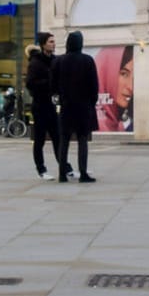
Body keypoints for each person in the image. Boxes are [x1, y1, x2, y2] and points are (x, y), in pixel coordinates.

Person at [53, 30, 99, 183]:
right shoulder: (88, 61)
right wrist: (91, 102)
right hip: (83, 106)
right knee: (82, 140)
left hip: (66, 105)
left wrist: (60, 97)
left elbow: (52, 85)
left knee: (64, 140)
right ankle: (83, 173)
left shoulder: (59, 61)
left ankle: (61, 174)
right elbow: (94, 86)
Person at [25, 33, 65, 179]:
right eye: (51, 42)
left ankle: (65, 167)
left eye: (54, 41)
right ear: (43, 44)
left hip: (52, 105)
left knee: (57, 138)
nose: (53, 44)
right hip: (40, 105)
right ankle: (41, 170)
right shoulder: (35, 62)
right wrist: (48, 82)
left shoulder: (55, 60)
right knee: (40, 139)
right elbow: (30, 83)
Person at [100, 48, 133, 132]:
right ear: (106, 73)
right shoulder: (99, 126)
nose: (131, 87)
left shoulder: (118, 125)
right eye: (124, 74)